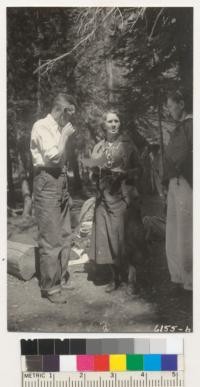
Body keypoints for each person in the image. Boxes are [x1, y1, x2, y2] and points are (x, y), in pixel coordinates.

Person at [84, 108, 142, 293]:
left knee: (127, 238)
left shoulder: (128, 144)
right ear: (103, 125)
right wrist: (94, 173)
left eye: (116, 121)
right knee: (106, 238)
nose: (114, 124)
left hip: (123, 198)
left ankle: (132, 279)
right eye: (110, 121)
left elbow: (140, 169)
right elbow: (92, 173)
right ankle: (114, 277)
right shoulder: (98, 147)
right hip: (104, 199)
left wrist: (125, 173)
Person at [30, 93, 76, 303]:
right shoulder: (41, 126)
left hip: (60, 180)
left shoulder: (58, 128)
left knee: (65, 233)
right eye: (69, 113)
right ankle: (51, 287)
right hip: (46, 181)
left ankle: (62, 276)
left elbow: (62, 161)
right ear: (60, 110)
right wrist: (65, 136)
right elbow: (52, 157)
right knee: (51, 237)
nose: (70, 120)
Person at [164, 89, 193, 294]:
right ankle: (176, 276)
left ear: (181, 104)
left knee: (186, 232)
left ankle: (190, 279)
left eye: (171, 106)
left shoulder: (191, 125)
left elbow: (184, 157)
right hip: (174, 184)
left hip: (185, 183)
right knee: (173, 231)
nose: (169, 110)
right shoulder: (179, 128)